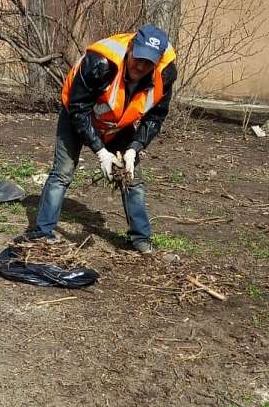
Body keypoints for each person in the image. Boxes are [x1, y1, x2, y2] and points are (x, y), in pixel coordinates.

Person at [27, 24, 177, 253]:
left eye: (149, 62)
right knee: (62, 172)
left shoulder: (164, 74)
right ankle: (42, 232)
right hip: (78, 115)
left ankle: (141, 240)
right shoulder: (100, 63)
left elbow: (156, 116)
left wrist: (134, 148)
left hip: (118, 122)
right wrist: (100, 152)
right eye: (138, 58)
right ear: (130, 48)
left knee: (132, 178)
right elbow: (78, 109)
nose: (141, 66)